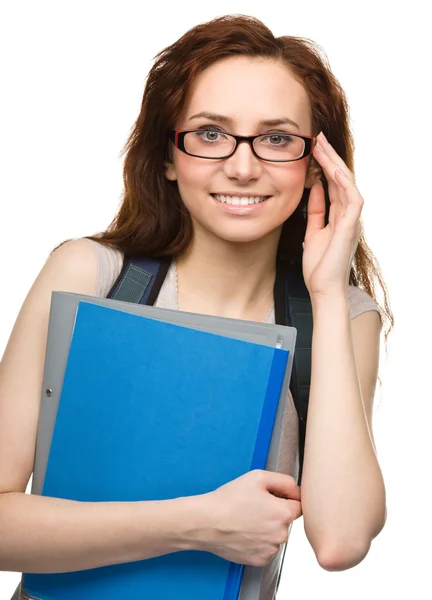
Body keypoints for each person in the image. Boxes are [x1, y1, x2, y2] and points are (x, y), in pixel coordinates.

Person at [0, 14, 393, 600]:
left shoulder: (340, 316)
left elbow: (341, 541)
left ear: (315, 163)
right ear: (167, 155)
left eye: (277, 138)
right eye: (210, 133)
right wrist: (195, 523)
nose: (241, 165)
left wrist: (329, 292)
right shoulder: (91, 274)